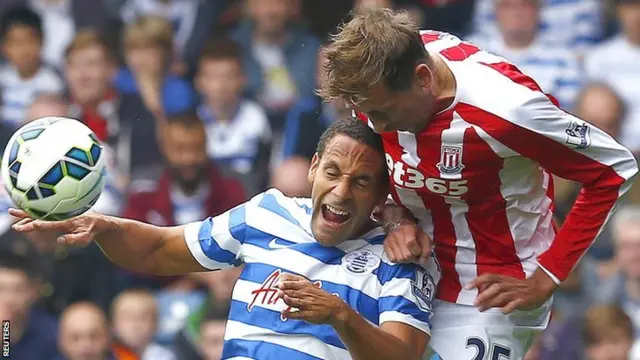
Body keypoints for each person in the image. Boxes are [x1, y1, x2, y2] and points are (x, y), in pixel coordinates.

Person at [320, 8, 639, 359]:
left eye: (383, 113)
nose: (377, 126)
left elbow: (613, 169)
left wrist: (548, 275)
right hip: (409, 267)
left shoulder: (508, 110)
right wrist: (395, 216)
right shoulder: (382, 72)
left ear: (423, 79)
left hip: (494, 290)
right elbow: (372, 161)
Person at [12, 118, 440, 360]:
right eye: (332, 173)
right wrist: (106, 227)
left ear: (383, 192)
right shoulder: (265, 213)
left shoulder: (401, 255)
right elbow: (160, 249)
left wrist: (338, 315)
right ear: (313, 168)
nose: (341, 192)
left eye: (361, 182)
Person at [195, 37, 271, 193]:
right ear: (200, 82)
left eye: (229, 76)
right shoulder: (193, 123)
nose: (221, 85)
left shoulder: (256, 118)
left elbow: (266, 168)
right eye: (213, 77)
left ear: (242, 79)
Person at [0, 5, 64, 128]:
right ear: (4, 47)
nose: (24, 51)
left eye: (30, 41)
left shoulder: (52, 82)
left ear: (42, 42)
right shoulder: (2, 78)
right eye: (16, 43)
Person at [111, 289, 175, 360]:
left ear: (156, 323)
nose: (135, 325)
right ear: (113, 323)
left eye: (143, 318)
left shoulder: (165, 356)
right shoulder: (103, 354)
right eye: (127, 317)